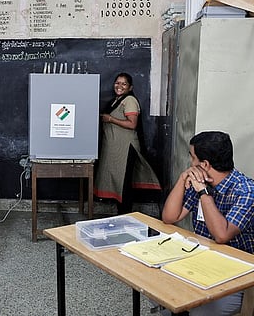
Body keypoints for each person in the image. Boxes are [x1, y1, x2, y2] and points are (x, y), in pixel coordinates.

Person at [162, 131, 254, 316]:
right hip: (202, 263)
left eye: (192, 157)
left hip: (238, 275)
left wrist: (204, 193)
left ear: (204, 164)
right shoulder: (200, 181)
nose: (190, 162)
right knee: (162, 290)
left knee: (197, 310)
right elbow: (169, 217)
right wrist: (183, 179)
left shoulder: (247, 191)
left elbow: (222, 235)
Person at [94, 72, 161, 214]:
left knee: (123, 184)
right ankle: (121, 213)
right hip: (116, 149)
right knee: (118, 182)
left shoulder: (129, 100)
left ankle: (125, 215)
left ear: (130, 87)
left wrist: (111, 119)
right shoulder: (116, 100)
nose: (119, 86)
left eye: (124, 84)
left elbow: (132, 124)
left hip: (125, 149)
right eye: (117, 83)